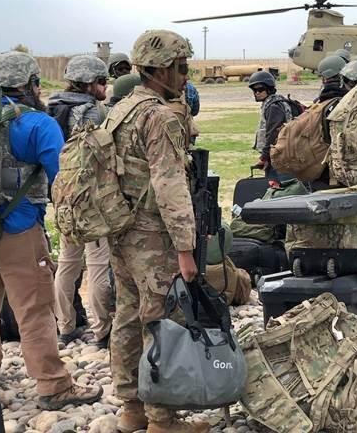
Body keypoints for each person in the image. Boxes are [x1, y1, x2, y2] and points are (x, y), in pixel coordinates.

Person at [0, 51, 103, 410]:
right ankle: (53, 385)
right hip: (19, 233)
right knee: (34, 311)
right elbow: (63, 181)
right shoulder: (37, 124)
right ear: (31, 83)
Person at [105, 29, 208, 433]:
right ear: (162, 70)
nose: (185, 76)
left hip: (121, 231)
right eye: (181, 68)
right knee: (163, 321)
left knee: (128, 316)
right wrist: (185, 248)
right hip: (152, 236)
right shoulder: (159, 116)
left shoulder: (121, 109)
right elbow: (170, 185)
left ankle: (131, 409)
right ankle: (162, 420)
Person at [47, 55, 115, 348]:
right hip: (92, 200)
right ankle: (102, 332)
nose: (105, 86)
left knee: (67, 264)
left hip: (63, 197)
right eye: (101, 81)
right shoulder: (95, 113)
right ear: (88, 83)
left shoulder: (52, 107)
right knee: (98, 264)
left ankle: (65, 326)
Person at [249, 70, 293, 185]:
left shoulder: (274, 107)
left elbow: (273, 134)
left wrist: (264, 157)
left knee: (276, 187)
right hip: (279, 155)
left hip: (279, 157)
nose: (256, 93)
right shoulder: (274, 103)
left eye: (260, 89)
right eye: (254, 90)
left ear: (269, 88)